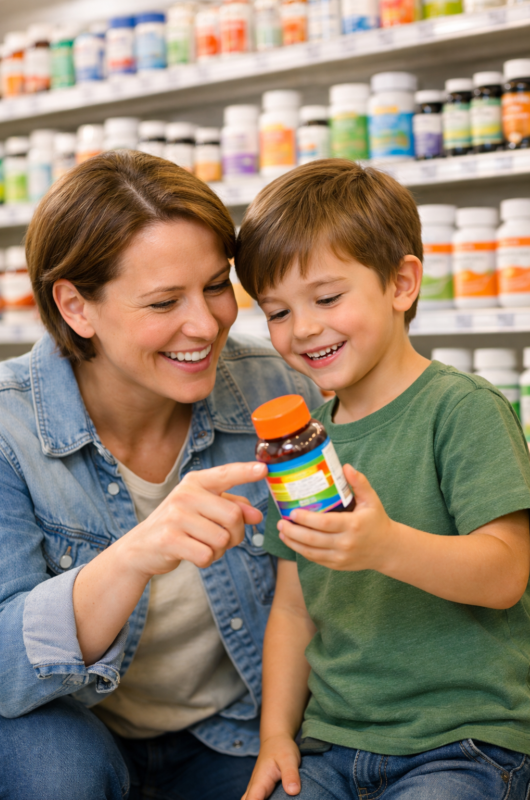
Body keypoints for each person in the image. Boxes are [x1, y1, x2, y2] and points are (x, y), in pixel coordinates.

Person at [0, 151, 321, 800]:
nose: (204, 324)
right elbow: (2, 665)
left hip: (227, 730)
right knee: (56, 776)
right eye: (163, 301)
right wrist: (132, 558)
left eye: (215, 285)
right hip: (70, 727)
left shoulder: (274, 392)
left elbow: (321, 591)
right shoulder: (9, 430)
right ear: (75, 307)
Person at [234, 159, 530, 800]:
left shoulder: (463, 409)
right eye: (276, 311)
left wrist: (386, 546)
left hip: (463, 743)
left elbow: (506, 575)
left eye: (328, 297)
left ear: (401, 283)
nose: (303, 328)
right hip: (331, 743)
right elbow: (292, 606)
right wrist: (276, 735)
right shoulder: (301, 442)